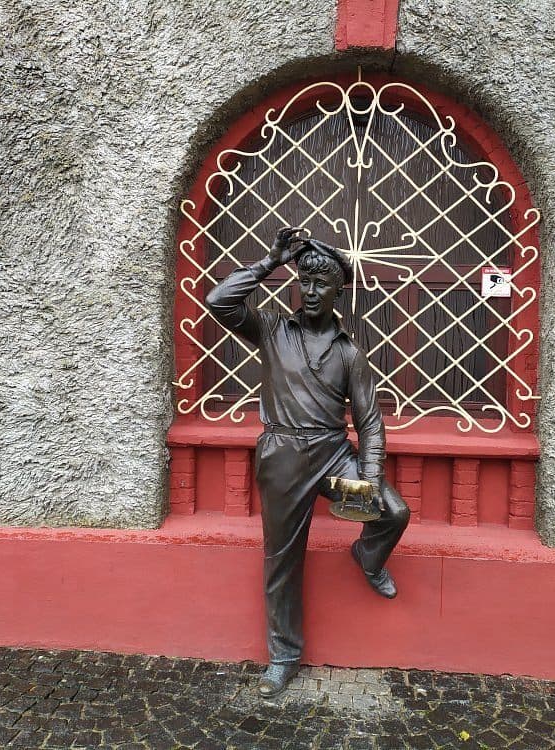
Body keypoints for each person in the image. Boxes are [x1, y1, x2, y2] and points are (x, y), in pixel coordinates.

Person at [205, 226, 411, 697]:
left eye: (323, 285)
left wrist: (370, 479)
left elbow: (371, 422)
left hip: (333, 454)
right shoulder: (274, 329)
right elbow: (219, 301)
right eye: (306, 282)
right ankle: (283, 656)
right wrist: (269, 261)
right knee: (283, 561)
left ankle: (366, 554)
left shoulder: (349, 353)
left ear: (338, 291)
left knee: (394, 512)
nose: (312, 292)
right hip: (281, 455)